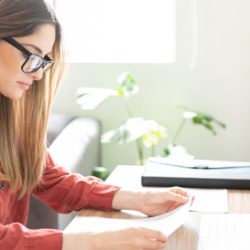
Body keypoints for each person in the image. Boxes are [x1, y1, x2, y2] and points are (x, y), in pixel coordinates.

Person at [0, 1, 195, 249]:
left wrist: (138, 200)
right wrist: (94, 241)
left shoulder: (9, 118)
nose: (38, 74)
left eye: (42, 61)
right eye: (31, 54)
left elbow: (49, 179)